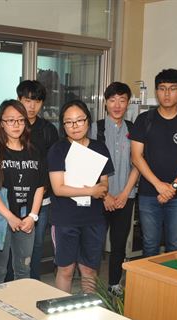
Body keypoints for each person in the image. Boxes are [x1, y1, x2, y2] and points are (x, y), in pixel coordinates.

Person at [131, 68, 177, 257]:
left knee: (175, 245)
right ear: (157, 91)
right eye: (162, 88)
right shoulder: (143, 120)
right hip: (149, 194)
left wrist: (172, 187)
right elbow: (136, 157)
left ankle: (168, 286)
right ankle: (148, 287)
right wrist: (159, 186)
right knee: (149, 245)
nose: (167, 93)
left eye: (172, 89)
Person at [0, 99, 46, 285]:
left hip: (26, 220)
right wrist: (9, 216)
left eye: (21, 120)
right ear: (1, 123)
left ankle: (20, 310)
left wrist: (33, 216)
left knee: (24, 270)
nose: (16, 125)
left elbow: (40, 186)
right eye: (10, 120)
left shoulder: (34, 151)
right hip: (1, 219)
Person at [48, 99, 113, 293]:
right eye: (69, 122)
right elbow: (58, 188)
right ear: (63, 125)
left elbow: (104, 184)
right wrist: (90, 190)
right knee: (66, 269)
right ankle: (61, 316)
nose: (75, 126)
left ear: (88, 121)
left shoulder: (99, 148)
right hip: (65, 219)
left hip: (93, 218)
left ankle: (88, 313)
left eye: (79, 120)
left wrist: (98, 189)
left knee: (89, 270)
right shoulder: (57, 150)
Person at [89, 82, 140, 295]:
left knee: (119, 243)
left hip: (125, 196)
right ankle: (89, 287)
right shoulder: (95, 128)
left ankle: (114, 285)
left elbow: (138, 163)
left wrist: (125, 193)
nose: (117, 105)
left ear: (127, 103)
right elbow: (88, 164)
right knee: (94, 243)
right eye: (112, 100)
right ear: (105, 103)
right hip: (100, 196)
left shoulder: (134, 128)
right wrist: (106, 195)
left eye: (122, 100)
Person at [15, 80, 59, 280]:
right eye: (27, 100)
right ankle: (10, 286)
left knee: (37, 244)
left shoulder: (48, 129)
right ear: (19, 100)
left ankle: (33, 284)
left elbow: (54, 164)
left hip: (42, 199)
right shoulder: (11, 125)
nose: (31, 106)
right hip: (13, 197)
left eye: (37, 101)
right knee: (11, 244)